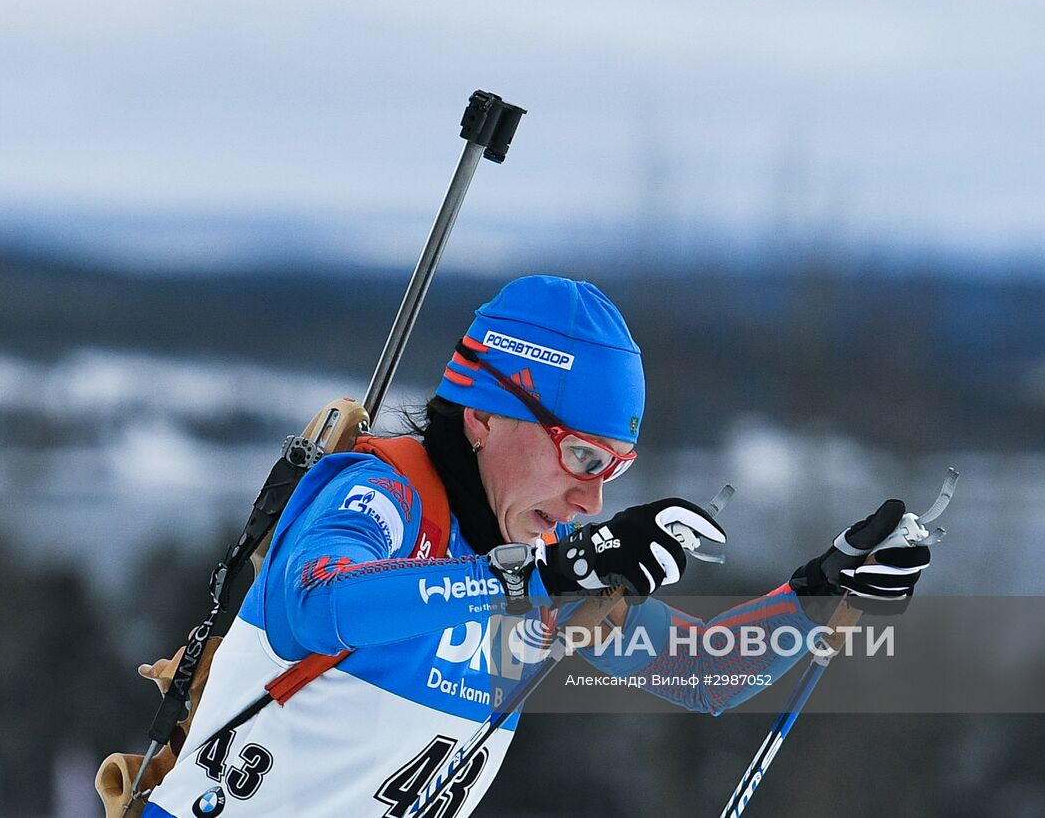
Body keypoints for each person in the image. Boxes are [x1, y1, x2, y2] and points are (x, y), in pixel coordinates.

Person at [139, 276, 930, 817]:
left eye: (615, 469)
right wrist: (540, 574)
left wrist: (826, 588)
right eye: (581, 457)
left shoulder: (538, 579)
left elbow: (707, 671)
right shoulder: (381, 497)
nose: (592, 500)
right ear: (483, 417)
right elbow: (318, 605)